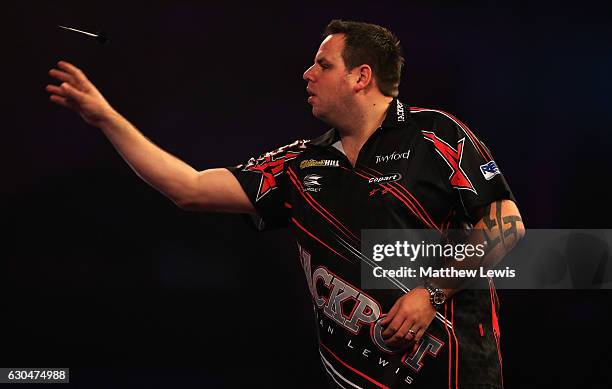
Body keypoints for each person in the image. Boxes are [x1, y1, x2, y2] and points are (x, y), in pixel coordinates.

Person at [47, 19, 524, 389]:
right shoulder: (299, 165)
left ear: (362, 77)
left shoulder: (435, 134)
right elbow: (189, 187)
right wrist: (106, 119)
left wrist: (432, 292)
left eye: (323, 64)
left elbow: (508, 226)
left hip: (457, 375)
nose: (307, 73)